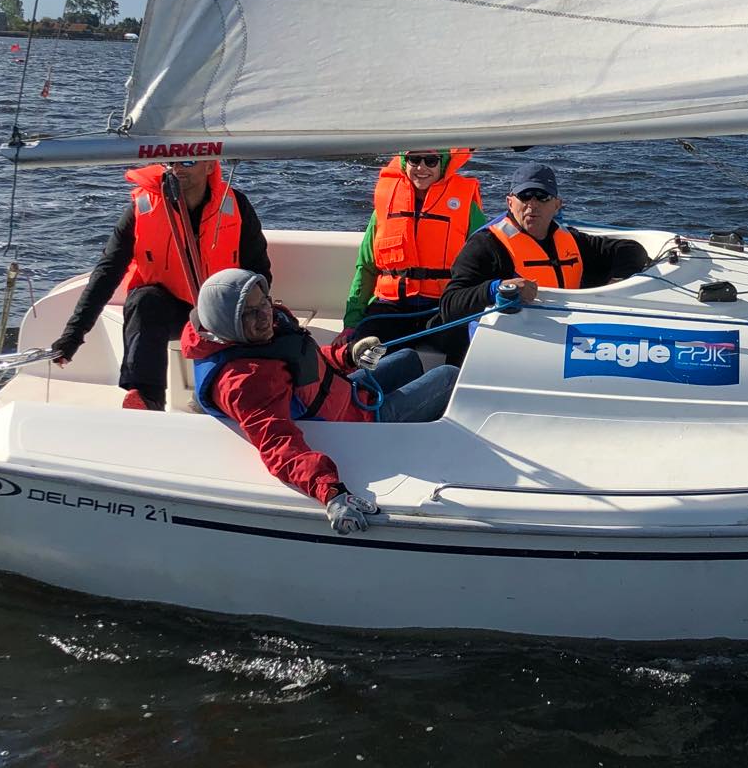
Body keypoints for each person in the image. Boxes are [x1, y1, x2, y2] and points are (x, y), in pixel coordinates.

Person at [183, 268, 458, 534]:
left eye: (264, 303)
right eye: (248, 313)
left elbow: (306, 361)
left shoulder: (254, 338)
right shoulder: (247, 380)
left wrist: (348, 356)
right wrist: (331, 492)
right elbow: (279, 447)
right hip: (357, 423)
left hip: (347, 393)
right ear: (225, 321)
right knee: (448, 376)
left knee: (409, 357)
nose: (265, 316)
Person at [49, 158, 271, 410]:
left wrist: (259, 310)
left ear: (209, 166)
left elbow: (259, 269)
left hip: (224, 307)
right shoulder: (142, 207)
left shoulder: (235, 205)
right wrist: (73, 335)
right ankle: (146, 398)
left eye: (188, 161)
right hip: (171, 309)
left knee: (253, 317)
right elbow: (107, 272)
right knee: (143, 301)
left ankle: (228, 394)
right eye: (171, 161)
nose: (177, 168)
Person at [437, 161, 653, 327]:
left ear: (557, 205)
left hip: (568, 334)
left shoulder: (573, 242)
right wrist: (497, 289)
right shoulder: (486, 245)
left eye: (542, 197)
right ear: (510, 203)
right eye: (525, 196)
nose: (532, 204)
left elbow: (631, 251)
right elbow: (450, 305)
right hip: (506, 342)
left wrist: (614, 285)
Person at [341, 148, 486, 356]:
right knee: (363, 350)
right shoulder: (385, 205)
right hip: (392, 308)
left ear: (443, 163)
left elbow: (484, 262)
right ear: (404, 162)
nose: (421, 167)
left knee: (472, 349)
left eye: (431, 161)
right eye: (414, 159)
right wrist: (352, 322)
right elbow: (366, 267)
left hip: (442, 307)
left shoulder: (467, 207)